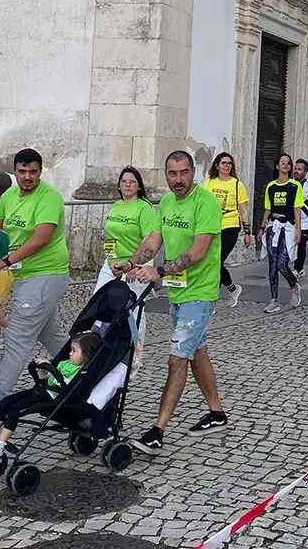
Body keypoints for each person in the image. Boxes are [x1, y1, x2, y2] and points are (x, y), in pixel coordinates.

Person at [112, 150, 227, 454]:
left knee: (177, 358)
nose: (178, 180)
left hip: (199, 294)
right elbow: (153, 240)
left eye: (184, 173)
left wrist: (159, 271)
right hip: (178, 292)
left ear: (193, 173)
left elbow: (199, 251)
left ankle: (157, 431)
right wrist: (131, 262)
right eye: (172, 174)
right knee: (196, 351)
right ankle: (216, 413)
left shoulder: (206, 204)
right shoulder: (165, 203)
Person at [0, 148, 71, 422]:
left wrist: (5, 261)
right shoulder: (10, 195)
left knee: (17, 341)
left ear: (40, 172)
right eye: (22, 171)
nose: (27, 177)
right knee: (53, 337)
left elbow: (42, 237)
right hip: (27, 277)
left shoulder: (49, 198)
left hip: (46, 275)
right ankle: (85, 375)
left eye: (33, 171)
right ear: (15, 171)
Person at [0, 332, 104, 463]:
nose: (70, 353)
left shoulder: (80, 372)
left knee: (15, 409)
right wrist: (44, 368)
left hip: (52, 398)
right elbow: (47, 379)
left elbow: (66, 386)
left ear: (86, 356)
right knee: (5, 402)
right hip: (40, 391)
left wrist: (53, 372)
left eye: (74, 351)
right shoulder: (65, 363)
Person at [96, 166, 159, 292]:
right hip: (112, 264)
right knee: (99, 304)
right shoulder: (116, 205)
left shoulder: (144, 207)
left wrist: (134, 265)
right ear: (119, 186)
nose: (127, 185)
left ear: (139, 186)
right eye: (124, 181)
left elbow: (149, 238)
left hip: (134, 267)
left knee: (131, 309)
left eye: (132, 182)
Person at [204, 153, 251, 307]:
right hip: (212, 225)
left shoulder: (237, 185)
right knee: (212, 261)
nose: (227, 166)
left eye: (229, 163)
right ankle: (232, 289)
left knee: (216, 261)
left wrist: (247, 232)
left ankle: (211, 300)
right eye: (224, 163)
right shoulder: (209, 183)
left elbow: (243, 210)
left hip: (230, 224)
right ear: (217, 165)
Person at [257, 153, 302, 313]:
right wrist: (262, 228)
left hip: (288, 227)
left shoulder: (295, 186)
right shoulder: (271, 186)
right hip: (272, 226)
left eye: (288, 163)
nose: (285, 165)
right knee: (272, 264)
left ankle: (293, 284)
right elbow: (267, 209)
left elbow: (297, 209)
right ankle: (274, 299)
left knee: (282, 263)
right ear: (277, 166)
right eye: (282, 162)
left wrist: (298, 230)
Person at [292, 159, 308, 277]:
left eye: (299, 169)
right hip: (290, 222)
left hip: (305, 223)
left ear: (305, 172)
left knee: (301, 246)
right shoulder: (289, 184)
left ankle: (298, 268)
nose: (296, 171)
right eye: (295, 169)